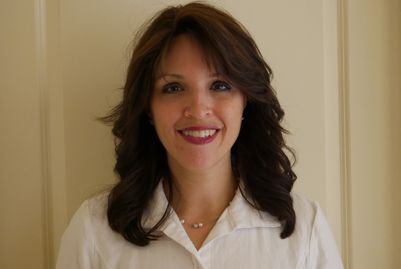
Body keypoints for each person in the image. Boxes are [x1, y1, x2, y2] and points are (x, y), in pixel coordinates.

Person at [56, 2, 344, 268]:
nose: (197, 109)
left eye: (220, 85)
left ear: (246, 101)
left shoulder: (305, 229)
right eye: (173, 88)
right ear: (147, 108)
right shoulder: (94, 231)